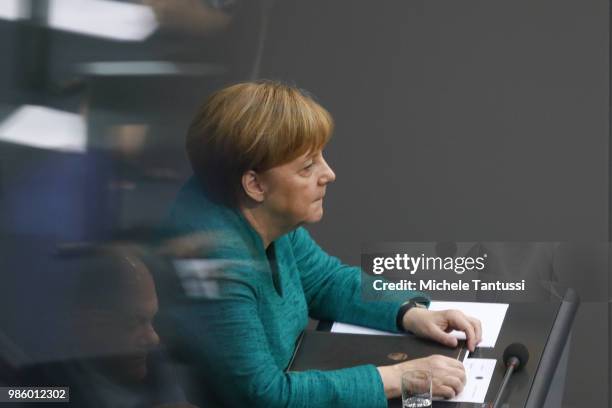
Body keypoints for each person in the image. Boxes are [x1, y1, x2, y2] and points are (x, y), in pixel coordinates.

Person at [159, 80, 482, 407]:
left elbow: (324, 280)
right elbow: (264, 396)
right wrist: (400, 377)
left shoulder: (261, 213)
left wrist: (409, 314)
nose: (329, 174)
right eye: (307, 166)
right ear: (254, 183)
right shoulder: (212, 265)